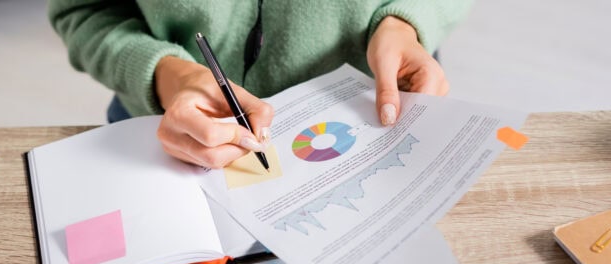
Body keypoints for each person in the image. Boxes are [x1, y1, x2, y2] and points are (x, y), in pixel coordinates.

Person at [48, 1, 473, 168]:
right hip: (169, 132)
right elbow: (84, 10)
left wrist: (407, 20)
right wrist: (166, 73)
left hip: (368, 123)